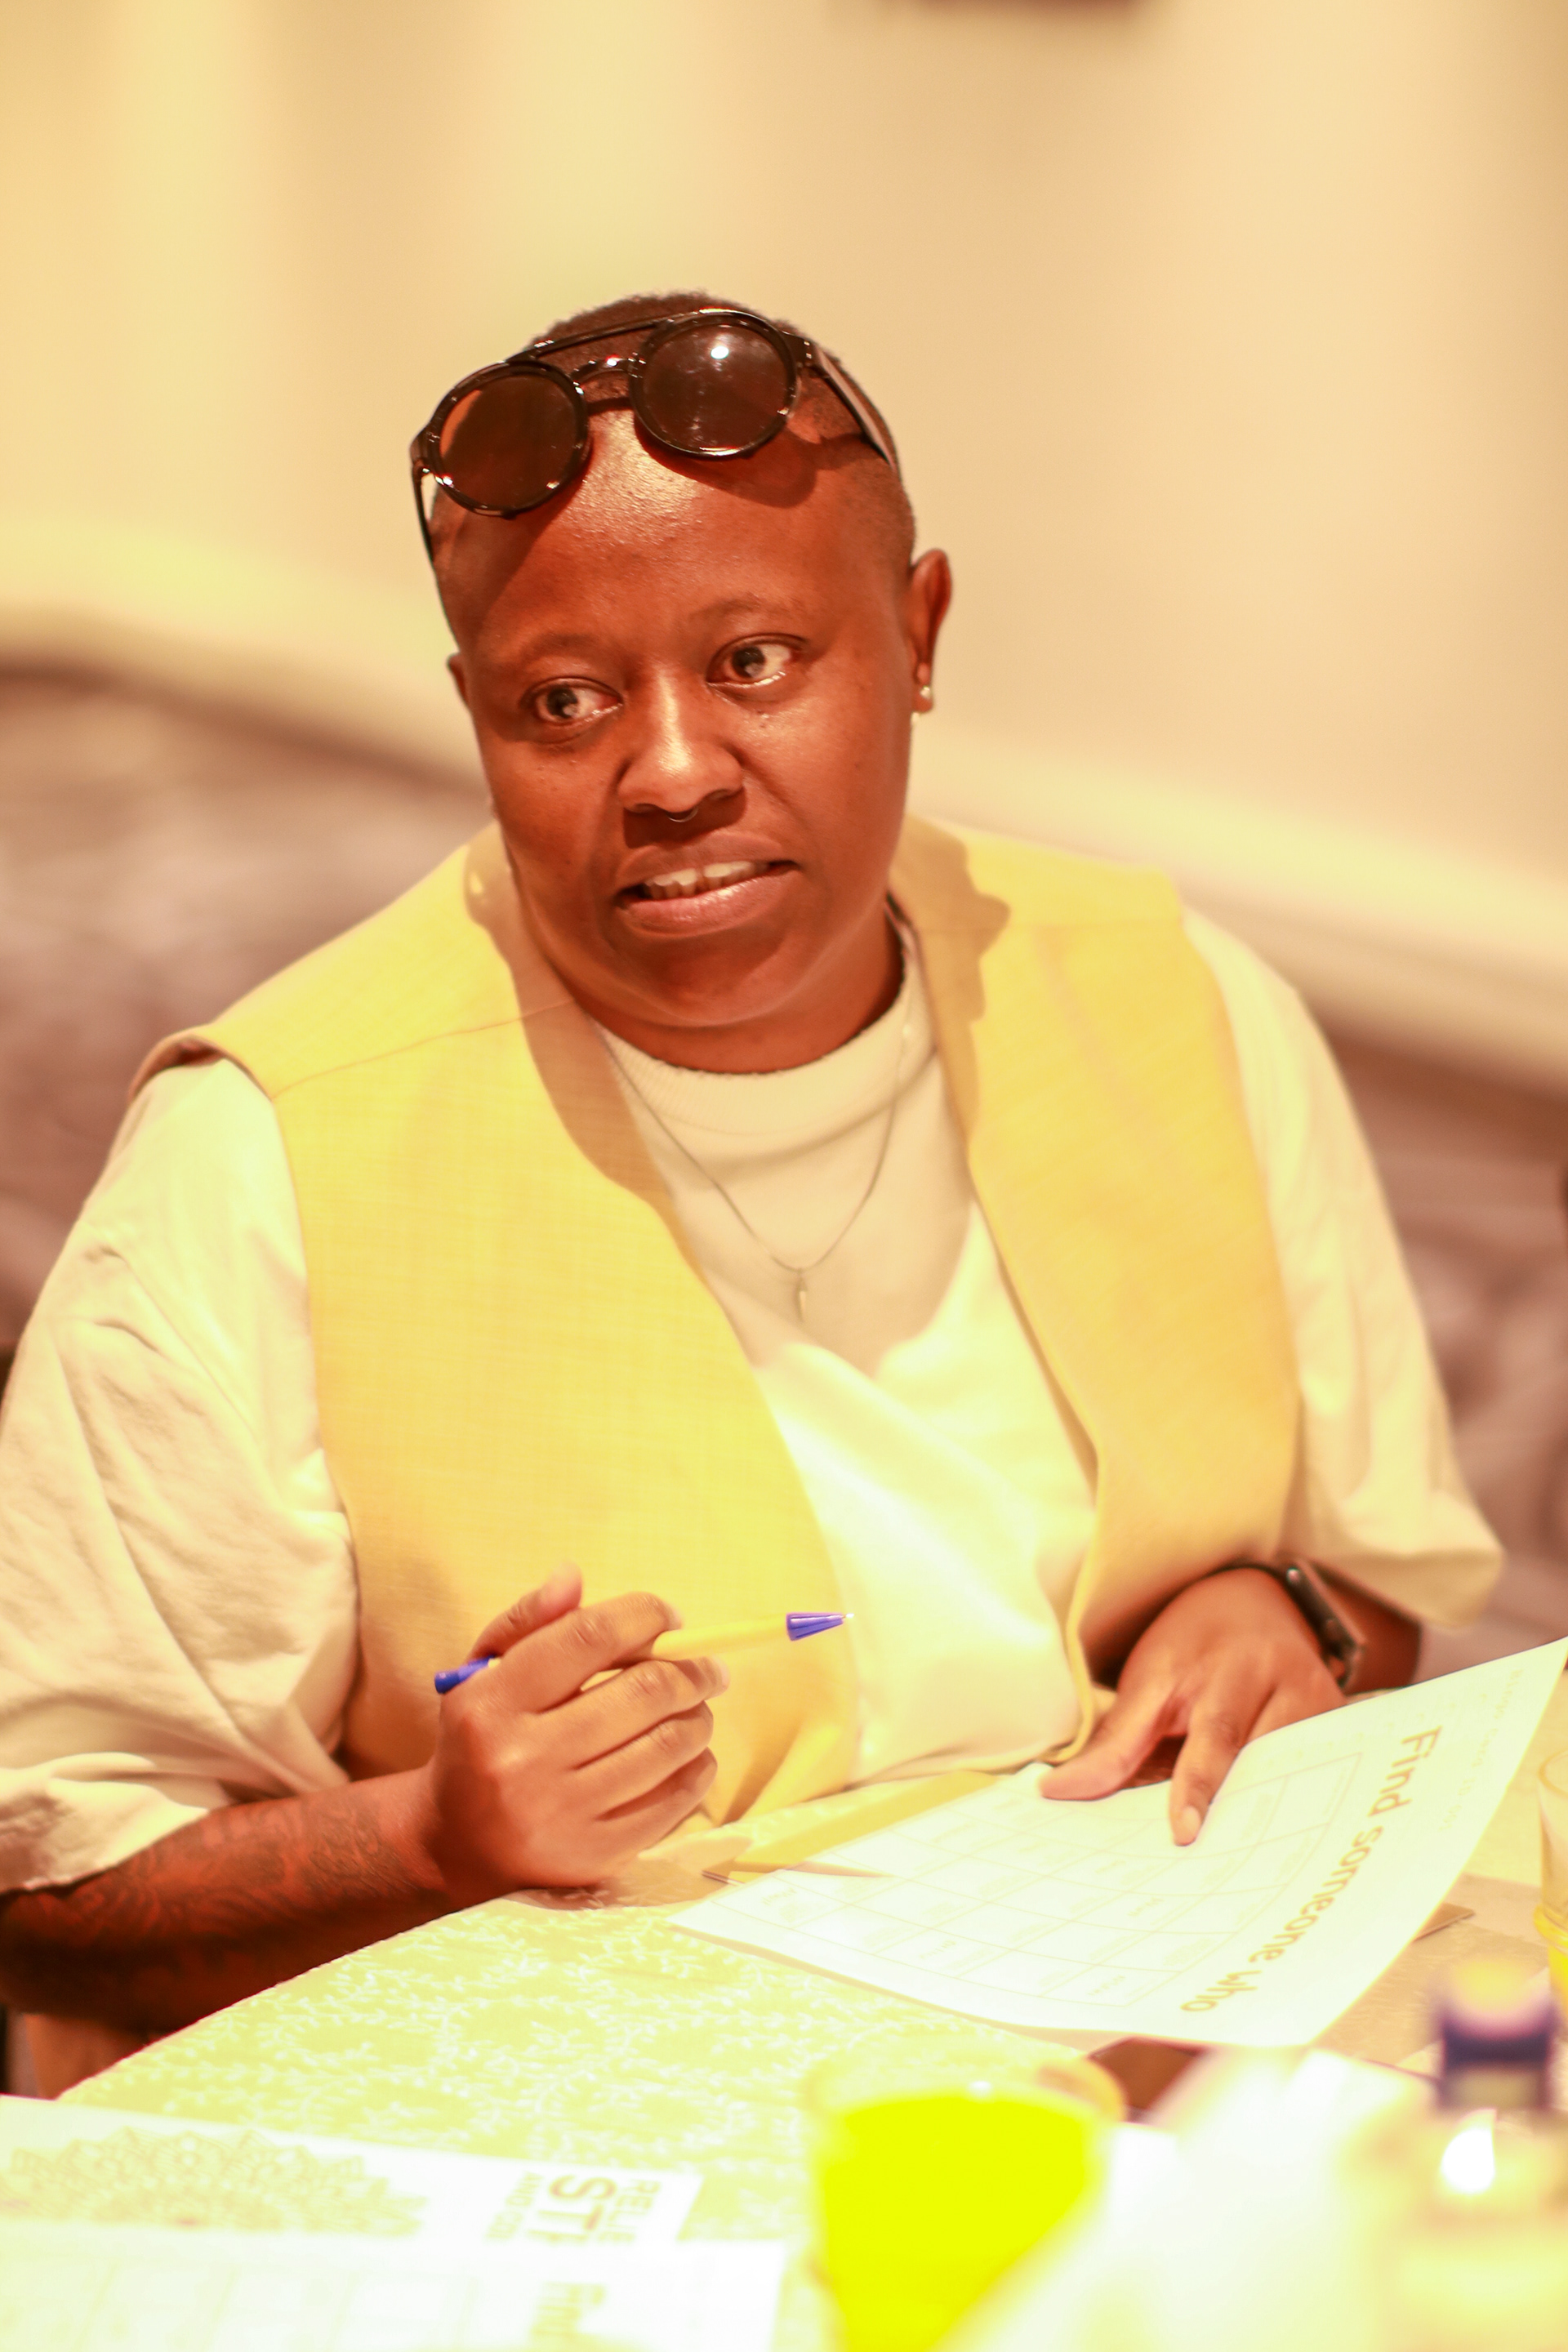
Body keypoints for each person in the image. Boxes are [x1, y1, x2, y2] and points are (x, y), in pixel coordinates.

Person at [0, 294, 1498, 2071]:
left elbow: (1380, 1582)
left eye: (757, 662)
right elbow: (50, 1890)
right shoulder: (262, 1154)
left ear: (918, 635)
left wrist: (1290, 1609)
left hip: (1147, 2003)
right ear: (475, 715)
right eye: (563, 701)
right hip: (600, 2091)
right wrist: (431, 1837)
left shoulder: (1181, 1010)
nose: (672, 773)